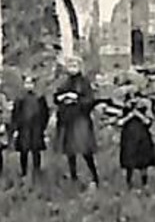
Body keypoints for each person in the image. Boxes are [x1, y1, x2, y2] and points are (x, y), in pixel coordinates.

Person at [53, 56, 99, 185]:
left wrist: (76, 98)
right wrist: (62, 97)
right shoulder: (64, 82)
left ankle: (95, 176)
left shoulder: (84, 82)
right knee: (70, 151)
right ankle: (73, 177)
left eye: (74, 66)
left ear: (79, 67)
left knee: (85, 149)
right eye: (70, 66)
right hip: (67, 120)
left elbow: (90, 100)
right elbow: (56, 97)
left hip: (81, 119)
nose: (72, 68)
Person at [10, 73, 49, 178]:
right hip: (24, 128)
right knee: (24, 150)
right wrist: (15, 129)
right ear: (23, 84)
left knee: (36, 150)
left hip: (36, 127)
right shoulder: (19, 99)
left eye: (30, 83)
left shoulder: (40, 98)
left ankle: (37, 171)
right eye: (26, 83)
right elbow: (15, 114)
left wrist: (43, 128)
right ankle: (24, 172)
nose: (28, 85)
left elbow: (45, 113)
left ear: (34, 85)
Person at [118, 89, 155, 188]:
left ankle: (144, 183)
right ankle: (129, 183)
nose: (134, 101)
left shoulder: (145, 109)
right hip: (128, 137)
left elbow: (148, 122)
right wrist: (129, 116)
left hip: (142, 136)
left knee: (143, 161)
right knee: (129, 161)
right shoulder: (124, 110)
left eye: (136, 98)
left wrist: (139, 115)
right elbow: (119, 122)